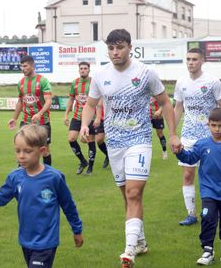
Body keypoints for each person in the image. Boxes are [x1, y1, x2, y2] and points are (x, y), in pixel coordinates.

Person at [79, 29, 180, 267]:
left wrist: (173, 134)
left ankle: (128, 252)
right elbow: (91, 104)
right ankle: (141, 242)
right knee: (127, 196)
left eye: (120, 47)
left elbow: (165, 102)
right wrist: (85, 124)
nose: (115, 52)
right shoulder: (101, 75)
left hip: (139, 140)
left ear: (130, 47)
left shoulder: (145, 73)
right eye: (111, 48)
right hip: (114, 143)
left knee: (134, 193)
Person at [0, 124, 83, 268]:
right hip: (26, 240)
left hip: (46, 242)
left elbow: (68, 205)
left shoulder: (54, 178)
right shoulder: (15, 177)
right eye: (17, 151)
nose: (21, 155)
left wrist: (77, 230)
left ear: (42, 150)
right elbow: (1, 198)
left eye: (27, 151)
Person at [175, 108, 221, 265]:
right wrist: (180, 151)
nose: (217, 129)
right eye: (213, 125)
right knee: (208, 218)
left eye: (220, 126)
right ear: (208, 124)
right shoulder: (201, 144)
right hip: (209, 191)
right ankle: (207, 250)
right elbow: (190, 158)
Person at [174, 48, 221, 226]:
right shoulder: (181, 82)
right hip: (188, 134)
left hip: (209, 135)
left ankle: (214, 210)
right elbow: (178, 107)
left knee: (212, 173)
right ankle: (191, 214)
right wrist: (173, 132)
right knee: (188, 174)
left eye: (194, 59)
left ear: (202, 60)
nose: (190, 62)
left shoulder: (213, 82)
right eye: (188, 59)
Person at [8, 55, 53, 165]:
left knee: (45, 150)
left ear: (32, 66)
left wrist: (39, 113)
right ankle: (21, 173)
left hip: (42, 121)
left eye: (25, 66)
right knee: (22, 145)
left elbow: (48, 101)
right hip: (26, 120)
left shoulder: (42, 81)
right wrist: (14, 118)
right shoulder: (21, 83)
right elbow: (20, 102)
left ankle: (47, 175)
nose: (23, 69)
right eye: (21, 66)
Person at [64, 62, 96, 175]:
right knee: (71, 139)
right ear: (79, 70)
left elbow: (100, 100)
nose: (83, 70)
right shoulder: (75, 83)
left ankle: (90, 167)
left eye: (85, 68)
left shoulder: (93, 82)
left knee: (90, 141)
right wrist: (66, 115)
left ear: (89, 70)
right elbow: (71, 99)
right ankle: (83, 161)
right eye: (81, 68)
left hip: (90, 117)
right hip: (77, 116)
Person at [93, 99, 110, 168]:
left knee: (113, 140)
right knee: (99, 140)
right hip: (101, 119)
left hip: (112, 118)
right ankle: (108, 155)